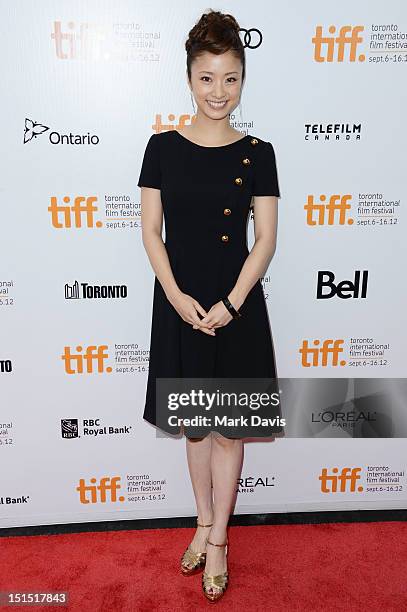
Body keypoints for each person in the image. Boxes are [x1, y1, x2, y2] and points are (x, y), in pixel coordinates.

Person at [137, 9, 282, 602]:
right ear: (189, 79)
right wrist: (176, 297)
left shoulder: (259, 151)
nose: (219, 91)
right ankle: (201, 523)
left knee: (229, 433)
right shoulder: (161, 147)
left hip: (236, 306)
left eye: (231, 78)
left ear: (243, 79)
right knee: (196, 432)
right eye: (207, 78)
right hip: (180, 302)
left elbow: (266, 238)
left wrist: (232, 301)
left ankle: (219, 539)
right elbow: (151, 231)